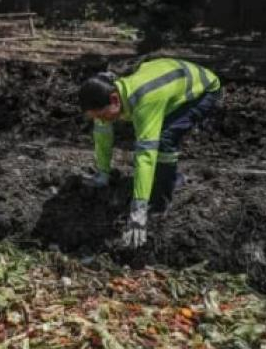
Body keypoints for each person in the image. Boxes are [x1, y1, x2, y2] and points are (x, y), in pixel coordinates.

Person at [79, 58, 222, 248]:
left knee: (164, 139)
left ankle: (162, 200)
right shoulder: (108, 96)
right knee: (153, 135)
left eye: (102, 115)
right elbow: (102, 134)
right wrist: (103, 173)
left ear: (114, 100)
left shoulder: (145, 100)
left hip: (203, 89)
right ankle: (168, 176)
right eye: (95, 117)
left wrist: (138, 210)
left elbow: (146, 154)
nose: (101, 120)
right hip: (169, 85)